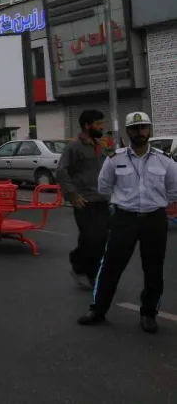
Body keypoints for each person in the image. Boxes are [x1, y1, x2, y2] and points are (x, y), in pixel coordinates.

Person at [78, 112, 177, 333]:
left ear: (149, 130)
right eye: (135, 128)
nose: (141, 132)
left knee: (153, 269)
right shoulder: (115, 159)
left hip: (154, 219)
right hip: (125, 219)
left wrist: (155, 201)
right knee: (111, 267)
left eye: (144, 128)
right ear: (128, 131)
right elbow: (104, 187)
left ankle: (148, 314)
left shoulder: (164, 160)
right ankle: (98, 310)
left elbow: (174, 190)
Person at [56, 109, 109, 289]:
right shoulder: (74, 147)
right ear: (87, 125)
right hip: (84, 200)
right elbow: (61, 170)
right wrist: (72, 195)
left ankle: (91, 273)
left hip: (102, 200)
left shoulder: (99, 145)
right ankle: (79, 266)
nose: (102, 127)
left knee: (101, 239)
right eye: (98, 124)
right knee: (90, 237)